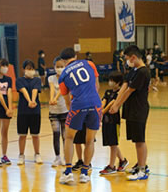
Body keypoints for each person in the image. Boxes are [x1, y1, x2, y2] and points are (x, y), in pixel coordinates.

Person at [58, 47, 101, 184]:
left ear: (64, 61)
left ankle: (68, 172)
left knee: (69, 137)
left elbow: (66, 100)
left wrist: (75, 113)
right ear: (75, 56)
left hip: (78, 105)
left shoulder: (63, 75)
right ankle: (84, 173)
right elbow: (97, 86)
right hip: (95, 104)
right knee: (90, 139)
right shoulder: (89, 63)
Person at [109, 45, 150, 181]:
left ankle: (142, 170)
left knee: (140, 140)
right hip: (131, 110)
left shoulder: (143, 72)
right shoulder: (134, 70)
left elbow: (129, 91)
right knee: (135, 139)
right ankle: (140, 164)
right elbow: (124, 86)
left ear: (133, 57)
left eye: (127, 58)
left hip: (139, 109)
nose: (126, 61)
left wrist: (117, 105)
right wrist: (115, 104)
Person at [99, 71, 129, 175]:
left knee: (113, 143)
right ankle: (122, 160)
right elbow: (104, 101)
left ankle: (111, 166)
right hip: (106, 120)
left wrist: (102, 111)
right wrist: (100, 109)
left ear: (118, 82)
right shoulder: (108, 92)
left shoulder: (119, 93)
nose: (110, 82)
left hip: (114, 121)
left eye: (112, 81)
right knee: (111, 143)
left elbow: (112, 103)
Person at [16, 60, 43, 165]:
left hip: (35, 111)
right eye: (27, 68)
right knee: (22, 135)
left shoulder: (37, 80)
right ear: (23, 69)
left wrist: (33, 101)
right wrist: (29, 101)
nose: (30, 71)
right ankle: (21, 155)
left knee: (35, 134)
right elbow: (23, 90)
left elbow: (35, 90)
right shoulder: (19, 80)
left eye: (31, 69)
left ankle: (37, 154)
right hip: (23, 111)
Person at [48, 57, 68, 167]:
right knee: (56, 134)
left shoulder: (66, 78)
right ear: (54, 67)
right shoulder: (51, 78)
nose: (59, 69)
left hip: (64, 109)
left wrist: (55, 98)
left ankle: (66, 157)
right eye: (57, 67)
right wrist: (51, 99)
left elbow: (61, 89)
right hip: (54, 112)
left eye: (61, 66)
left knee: (65, 135)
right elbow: (52, 88)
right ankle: (57, 157)